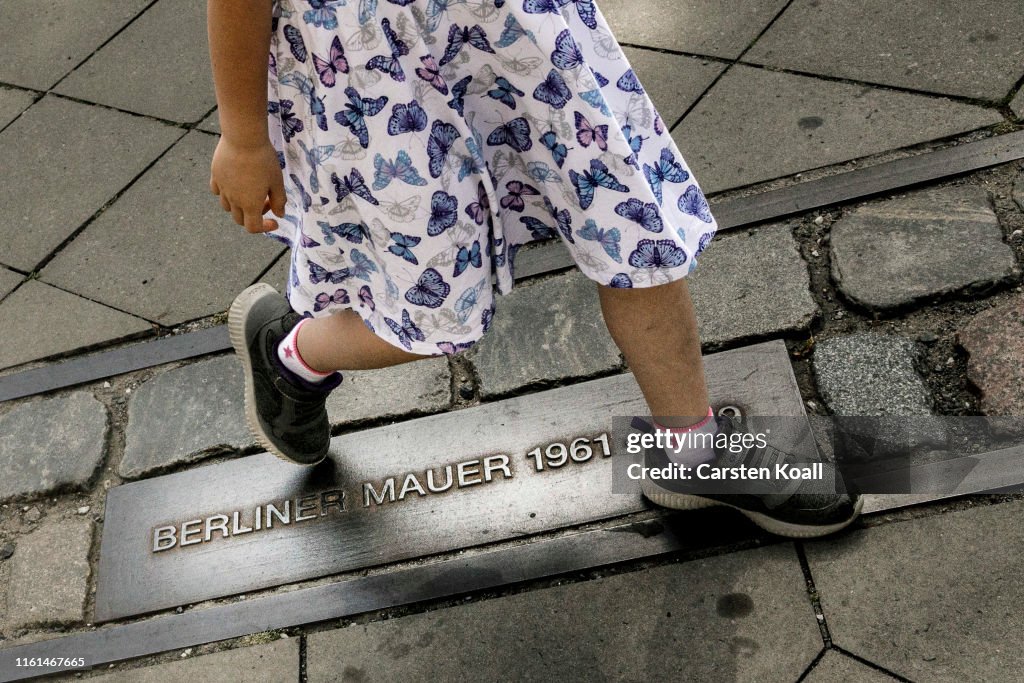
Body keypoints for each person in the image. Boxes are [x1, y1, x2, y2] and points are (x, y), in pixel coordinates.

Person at [207, 0, 861, 537]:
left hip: (521, 32)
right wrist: (242, 134)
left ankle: (692, 449)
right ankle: (290, 351)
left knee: (632, 220)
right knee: (435, 309)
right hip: (381, 80)